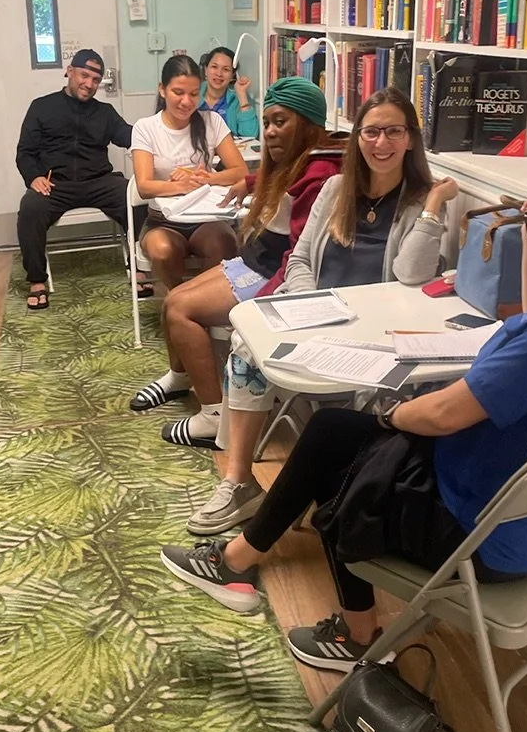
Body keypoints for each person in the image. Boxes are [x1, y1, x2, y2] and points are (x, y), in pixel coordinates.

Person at [159, 156, 527, 679]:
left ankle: (350, 631)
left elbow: (442, 414)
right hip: (525, 518)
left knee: (343, 458)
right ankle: (240, 561)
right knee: (334, 431)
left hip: (479, 532)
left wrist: (393, 416)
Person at [172, 86, 458, 494]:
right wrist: (310, 305)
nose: (381, 143)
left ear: (410, 138)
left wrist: (434, 202)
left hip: (375, 334)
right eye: (371, 132)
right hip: (320, 317)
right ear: (357, 138)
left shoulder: (417, 204)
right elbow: (300, 259)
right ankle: (238, 481)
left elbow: (410, 274)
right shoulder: (335, 189)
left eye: (394, 132)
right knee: (245, 342)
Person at [129, 78, 344, 445]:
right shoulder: (300, 162)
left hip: (271, 274)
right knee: (172, 301)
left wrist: (267, 302)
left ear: (308, 125)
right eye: (268, 123)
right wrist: (250, 179)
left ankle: (213, 416)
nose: (271, 132)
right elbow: (280, 176)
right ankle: (180, 378)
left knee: (180, 308)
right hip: (257, 261)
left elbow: (301, 254)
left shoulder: (320, 177)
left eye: (281, 122)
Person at [16, 48, 147, 312]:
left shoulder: (105, 112)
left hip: (98, 181)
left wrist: (160, 132)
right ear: (70, 71)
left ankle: (141, 268)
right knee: (30, 209)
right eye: (84, 75)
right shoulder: (41, 107)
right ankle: (38, 281)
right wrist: (34, 177)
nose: (88, 84)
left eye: (95, 80)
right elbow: (25, 152)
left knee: (138, 198)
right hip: (56, 184)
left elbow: (132, 137)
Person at [131, 54, 247, 291]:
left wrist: (207, 178)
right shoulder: (146, 128)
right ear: (162, 90)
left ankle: (200, 301)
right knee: (162, 251)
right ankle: (179, 298)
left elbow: (240, 172)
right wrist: (185, 183)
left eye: (194, 94)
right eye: (178, 92)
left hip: (206, 219)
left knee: (225, 244)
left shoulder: (212, 121)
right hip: (163, 221)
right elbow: (144, 187)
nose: (186, 101)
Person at [198, 46, 259, 140]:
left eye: (226, 69)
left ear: (232, 75)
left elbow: (250, 136)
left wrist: (242, 95)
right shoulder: (193, 93)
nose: (219, 73)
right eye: (214, 67)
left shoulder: (236, 98)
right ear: (206, 70)